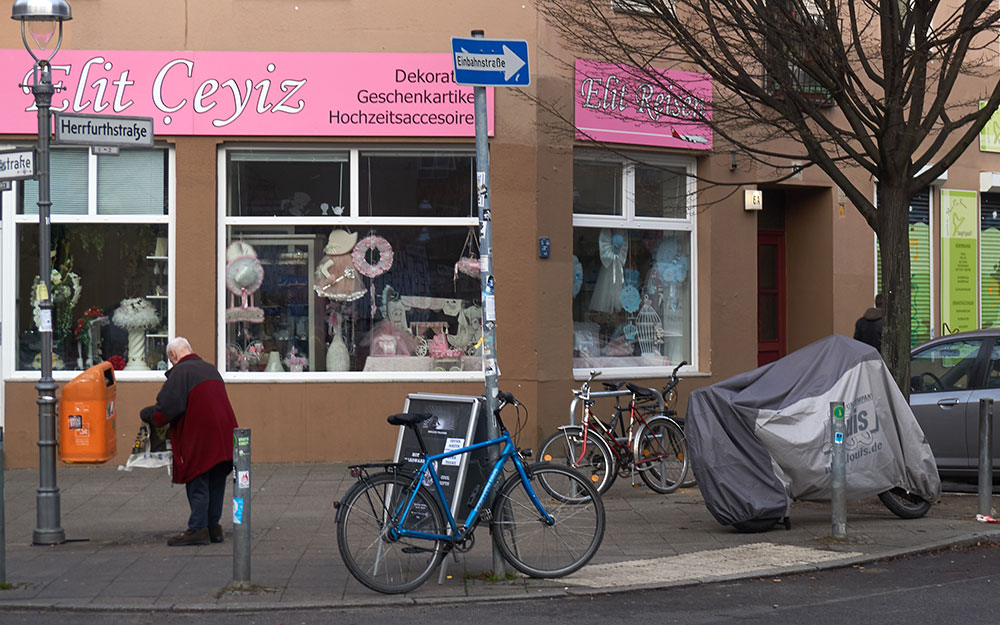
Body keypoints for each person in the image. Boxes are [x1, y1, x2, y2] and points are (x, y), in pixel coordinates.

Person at [140, 337, 239, 546]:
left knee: (198, 479)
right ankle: (213, 527)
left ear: (173, 356)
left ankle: (198, 529)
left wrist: (147, 414)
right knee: (216, 480)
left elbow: (166, 409)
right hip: (224, 434)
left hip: (200, 435)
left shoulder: (181, 373)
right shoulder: (210, 369)